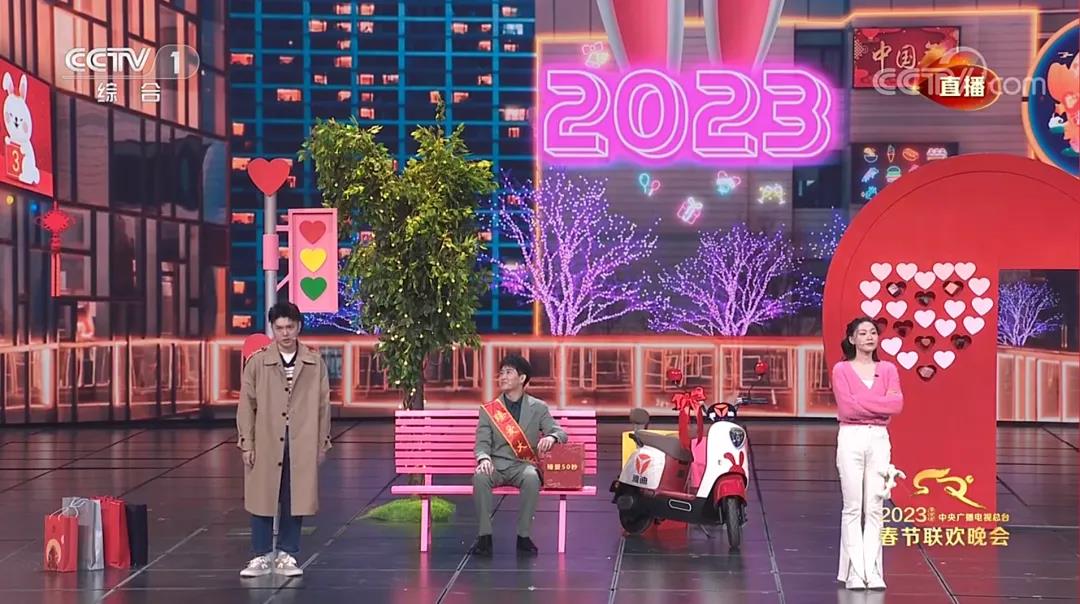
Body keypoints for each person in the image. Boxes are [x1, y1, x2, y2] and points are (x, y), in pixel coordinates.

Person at [237, 302, 332, 578]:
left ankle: (287, 553)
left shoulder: (314, 362)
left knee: (295, 495)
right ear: (272, 329)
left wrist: (322, 442)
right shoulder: (258, 362)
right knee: (262, 495)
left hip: (301, 438)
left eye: (290, 327)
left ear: (298, 326)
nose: (285, 333)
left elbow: (323, 405)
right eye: (279, 328)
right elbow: (246, 405)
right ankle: (261, 554)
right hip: (266, 437)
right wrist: (247, 442)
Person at [831, 317, 904, 591]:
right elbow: (847, 409)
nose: (869, 337)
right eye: (862, 333)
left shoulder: (887, 369)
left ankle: (872, 570)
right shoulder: (842, 369)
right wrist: (878, 405)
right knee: (853, 507)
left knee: (875, 507)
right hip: (851, 437)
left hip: (879, 439)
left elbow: (896, 405)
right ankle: (854, 571)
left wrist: (861, 401)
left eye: (873, 332)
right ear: (852, 339)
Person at [471, 354, 568, 556]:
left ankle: (524, 536)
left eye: (508, 372)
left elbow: (559, 432)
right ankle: (484, 537)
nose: (503, 377)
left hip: (523, 465)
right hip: (496, 465)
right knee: (480, 477)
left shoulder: (538, 407)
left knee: (532, 477)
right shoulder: (490, 410)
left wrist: (552, 437)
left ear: (522, 378)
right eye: (501, 373)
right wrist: (484, 458)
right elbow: (482, 443)